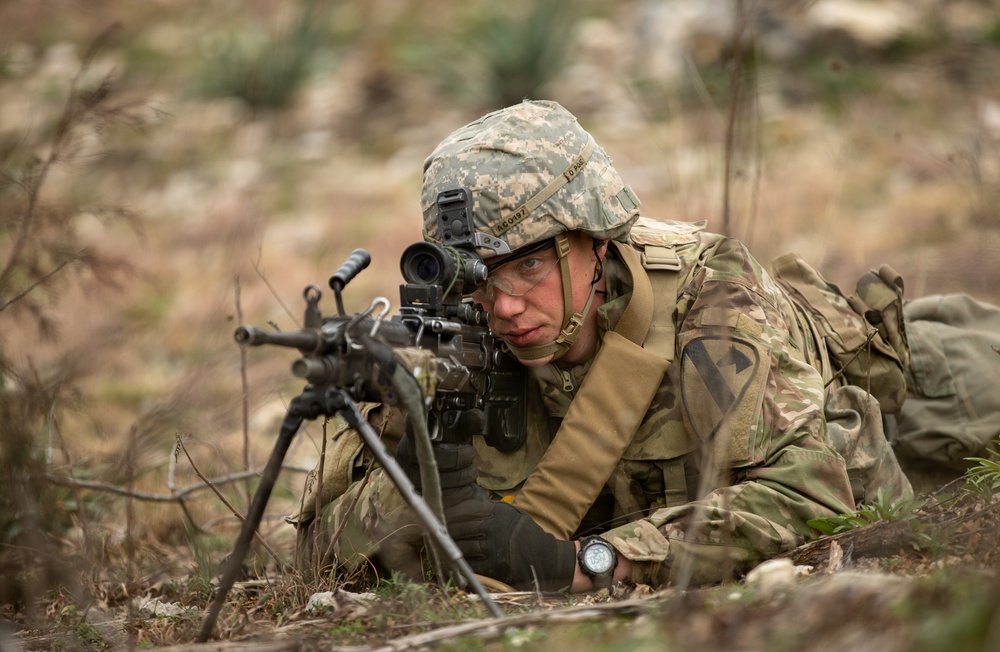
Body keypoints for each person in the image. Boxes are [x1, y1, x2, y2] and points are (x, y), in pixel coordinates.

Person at [289, 100, 921, 593]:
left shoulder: (711, 307)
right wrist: (423, 475)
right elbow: (316, 551)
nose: (504, 307)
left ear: (595, 243)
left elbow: (819, 491)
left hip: (898, 383)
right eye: (480, 278)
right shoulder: (460, 344)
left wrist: (596, 563)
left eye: (529, 268)